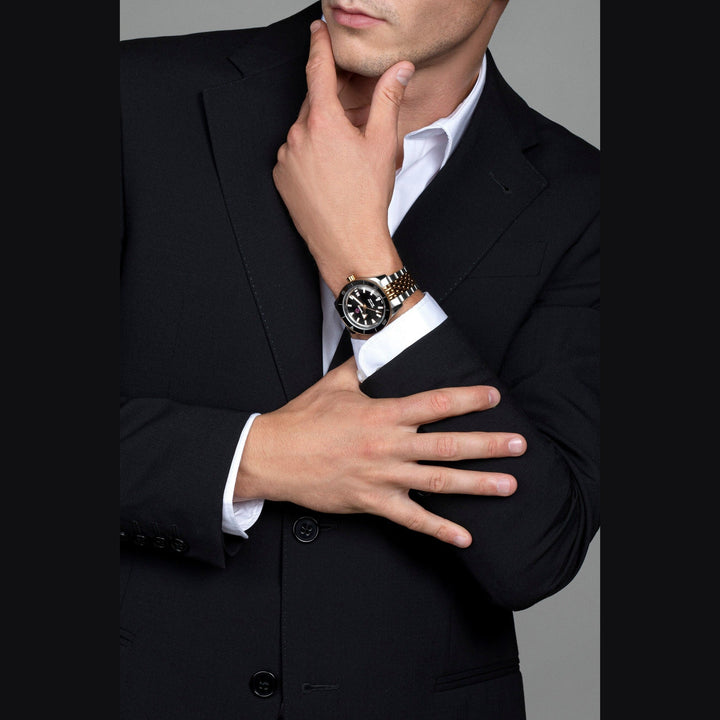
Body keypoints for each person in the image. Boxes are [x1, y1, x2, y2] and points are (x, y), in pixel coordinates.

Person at [119, 1, 600, 718]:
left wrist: (363, 263)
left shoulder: (585, 202)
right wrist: (257, 457)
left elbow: (538, 548)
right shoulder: (134, 98)